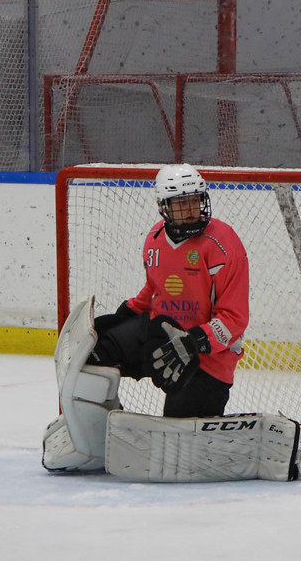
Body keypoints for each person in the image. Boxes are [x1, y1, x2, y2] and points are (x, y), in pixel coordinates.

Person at [88, 163, 250, 417]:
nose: (190, 210)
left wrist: (193, 342)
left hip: (208, 357)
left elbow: (235, 319)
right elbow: (155, 289)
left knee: (179, 434)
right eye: (181, 203)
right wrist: (128, 311)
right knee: (95, 352)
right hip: (160, 333)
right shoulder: (155, 238)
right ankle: (101, 424)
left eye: (195, 201)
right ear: (163, 206)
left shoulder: (223, 243)